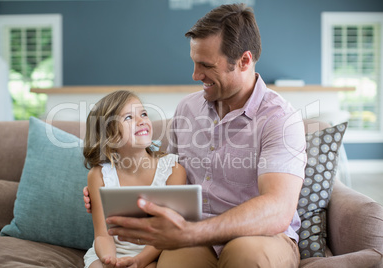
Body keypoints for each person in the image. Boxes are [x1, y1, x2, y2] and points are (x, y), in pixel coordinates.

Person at [84, 4, 306, 267]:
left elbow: (278, 209)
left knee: (246, 256)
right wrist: (111, 194)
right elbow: (163, 174)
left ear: (244, 61)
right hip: (193, 239)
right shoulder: (187, 109)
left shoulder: (280, 119)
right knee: (175, 262)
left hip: (260, 236)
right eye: (194, 62)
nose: (195, 75)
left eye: (206, 65)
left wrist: (193, 232)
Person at [82, 90, 186, 268]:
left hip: (152, 253)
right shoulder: (99, 175)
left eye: (143, 114)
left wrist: (140, 261)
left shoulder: (173, 170)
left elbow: (168, 231)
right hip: (110, 251)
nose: (141, 121)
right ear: (110, 135)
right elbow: (102, 235)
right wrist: (110, 260)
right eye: (129, 117)